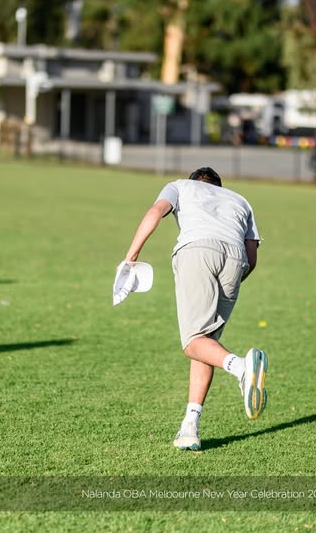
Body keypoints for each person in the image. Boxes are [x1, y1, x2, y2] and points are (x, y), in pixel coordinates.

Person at [121, 166, 268, 451]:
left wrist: (131, 257)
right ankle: (190, 426)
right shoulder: (240, 200)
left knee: (192, 343)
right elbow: (252, 257)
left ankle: (240, 367)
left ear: (195, 183)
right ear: (218, 186)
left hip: (197, 251)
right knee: (206, 343)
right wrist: (233, 276)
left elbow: (155, 212)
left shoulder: (179, 186)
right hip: (236, 260)